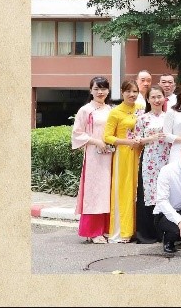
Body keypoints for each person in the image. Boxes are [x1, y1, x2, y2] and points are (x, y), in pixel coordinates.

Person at [71, 76, 113, 244]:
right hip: (94, 156)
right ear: (91, 90)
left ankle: (106, 229)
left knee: (108, 190)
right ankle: (93, 231)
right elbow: (77, 133)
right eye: (96, 89)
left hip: (110, 154)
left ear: (108, 91)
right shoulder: (85, 110)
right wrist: (96, 141)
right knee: (94, 191)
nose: (100, 92)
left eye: (103, 89)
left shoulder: (111, 110)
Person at [131, 86, 171, 244]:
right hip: (149, 159)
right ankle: (147, 233)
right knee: (148, 195)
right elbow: (136, 140)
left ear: (164, 98)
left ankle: (166, 231)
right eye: (153, 97)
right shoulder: (142, 118)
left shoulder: (169, 116)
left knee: (166, 192)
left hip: (167, 158)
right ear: (148, 99)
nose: (156, 100)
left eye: (159, 96)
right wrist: (152, 138)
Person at [104, 80, 142, 243]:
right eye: (128, 91)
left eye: (135, 91)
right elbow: (107, 137)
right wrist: (127, 142)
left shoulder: (141, 109)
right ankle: (123, 231)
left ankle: (137, 230)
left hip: (140, 153)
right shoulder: (115, 112)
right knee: (124, 191)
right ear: (122, 92)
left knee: (138, 191)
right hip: (123, 156)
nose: (132, 95)